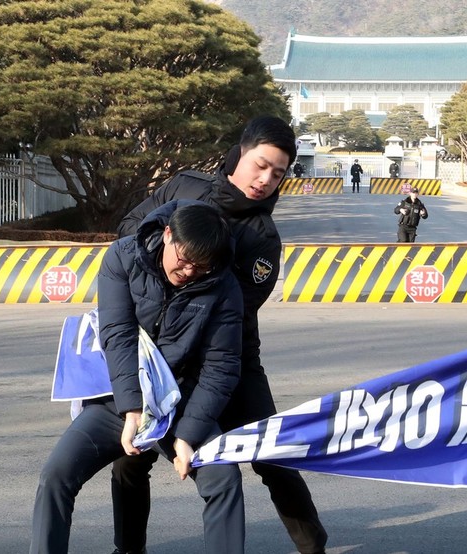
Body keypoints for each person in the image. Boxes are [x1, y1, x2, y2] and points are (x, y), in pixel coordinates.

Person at [114, 116, 328, 554]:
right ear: (239, 155)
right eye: (260, 165)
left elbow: (235, 310)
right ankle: (128, 548)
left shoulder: (263, 238)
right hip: (156, 354)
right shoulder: (183, 188)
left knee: (271, 455)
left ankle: (313, 546)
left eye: (278, 173)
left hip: (228, 358)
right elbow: (129, 234)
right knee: (130, 457)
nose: (265, 179)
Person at [31, 201, 246, 553]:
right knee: (56, 475)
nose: (189, 270)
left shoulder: (223, 287)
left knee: (224, 478)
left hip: (180, 402)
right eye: (184, 256)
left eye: (200, 265)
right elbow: (117, 334)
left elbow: (221, 367)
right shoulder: (123, 257)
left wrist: (188, 436)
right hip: (119, 397)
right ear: (167, 234)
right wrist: (131, 409)